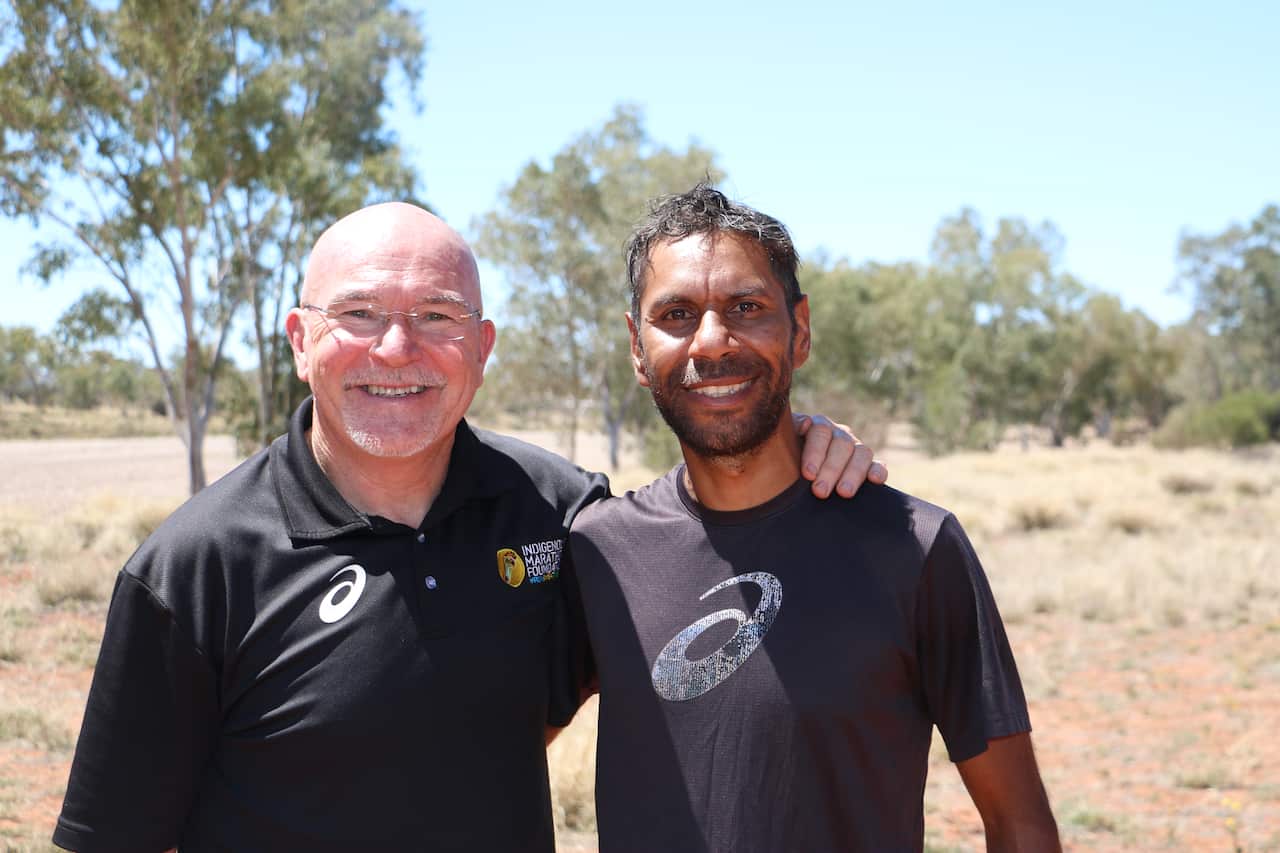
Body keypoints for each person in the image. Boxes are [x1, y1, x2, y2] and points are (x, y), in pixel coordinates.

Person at [51, 202, 884, 852]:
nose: (397, 348)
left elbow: (694, 564)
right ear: (301, 341)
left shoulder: (561, 516)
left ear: (482, 347)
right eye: (360, 313)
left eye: (439, 316)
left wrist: (796, 442)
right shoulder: (195, 566)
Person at [568, 185, 1061, 852]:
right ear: (636, 346)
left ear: (799, 331)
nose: (712, 342)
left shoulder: (914, 548)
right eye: (677, 314)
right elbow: (466, 744)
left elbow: (1019, 822)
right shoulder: (597, 553)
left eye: (747, 307)